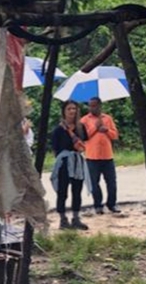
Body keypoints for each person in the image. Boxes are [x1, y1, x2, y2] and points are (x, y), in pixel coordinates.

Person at [50, 100, 90, 230]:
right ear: (64, 112)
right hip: (64, 162)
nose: (72, 111)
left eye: (74, 108)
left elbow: (84, 143)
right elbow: (56, 149)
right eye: (69, 109)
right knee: (62, 192)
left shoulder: (81, 127)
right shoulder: (58, 130)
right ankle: (63, 219)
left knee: (77, 191)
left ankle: (76, 218)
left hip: (77, 161)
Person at [81, 97, 120, 215]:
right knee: (94, 183)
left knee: (111, 182)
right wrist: (95, 127)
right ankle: (98, 205)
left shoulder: (107, 118)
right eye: (90, 106)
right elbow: (83, 136)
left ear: (99, 106)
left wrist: (106, 130)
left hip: (107, 156)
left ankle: (111, 204)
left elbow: (115, 135)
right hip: (92, 157)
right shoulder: (84, 120)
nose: (91, 108)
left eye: (94, 106)